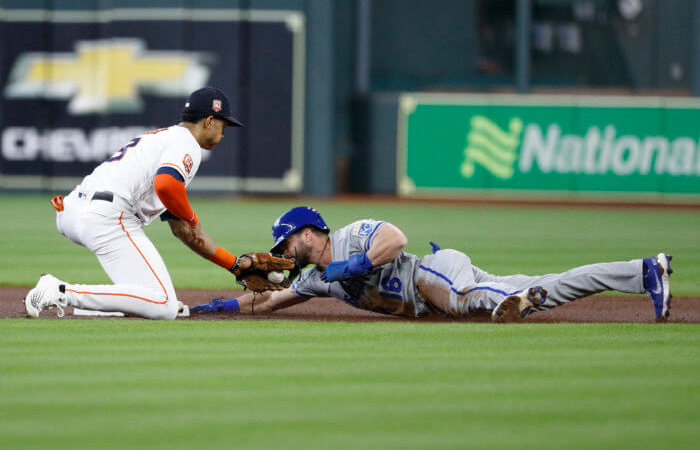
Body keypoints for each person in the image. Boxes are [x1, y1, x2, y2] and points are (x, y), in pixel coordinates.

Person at [192, 206, 673, 323]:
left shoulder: (347, 235)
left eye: (286, 239)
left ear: (308, 232)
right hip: (435, 288)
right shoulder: (315, 278)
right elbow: (270, 298)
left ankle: (511, 303)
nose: (282, 249)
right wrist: (210, 308)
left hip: (432, 271)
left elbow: (395, 238)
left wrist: (351, 265)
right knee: (554, 284)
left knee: (463, 301)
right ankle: (643, 271)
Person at [25, 86, 257, 320]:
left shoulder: (163, 139)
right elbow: (166, 185)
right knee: (164, 305)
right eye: (223, 124)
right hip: (109, 216)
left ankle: (97, 306)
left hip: (72, 211)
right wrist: (193, 218)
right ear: (209, 121)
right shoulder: (187, 144)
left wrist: (235, 265)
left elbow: (186, 232)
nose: (224, 132)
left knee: (149, 297)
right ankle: (61, 292)